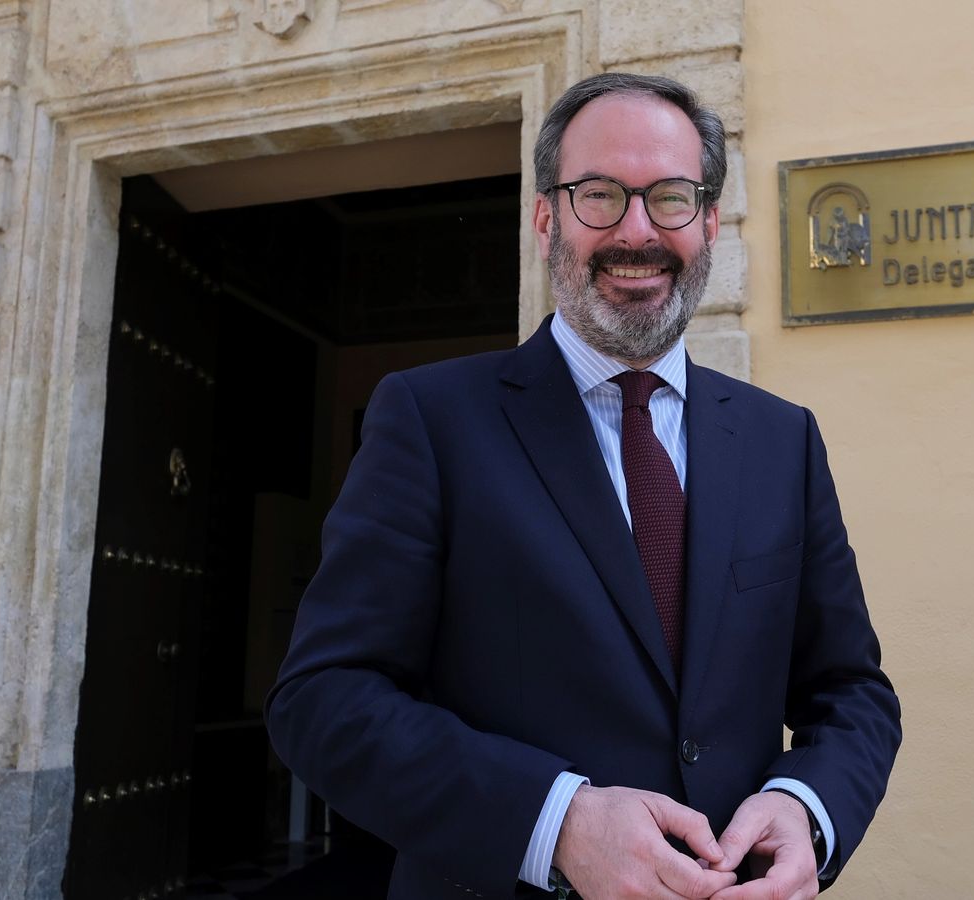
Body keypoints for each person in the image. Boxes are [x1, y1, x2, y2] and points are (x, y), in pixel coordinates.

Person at [266, 72, 901, 900]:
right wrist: (554, 821)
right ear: (545, 218)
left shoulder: (785, 439)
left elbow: (851, 691)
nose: (636, 231)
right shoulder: (430, 418)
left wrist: (806, 805)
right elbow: (323, 700)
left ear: (709, 222)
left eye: (671, 197)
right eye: (598, 194)